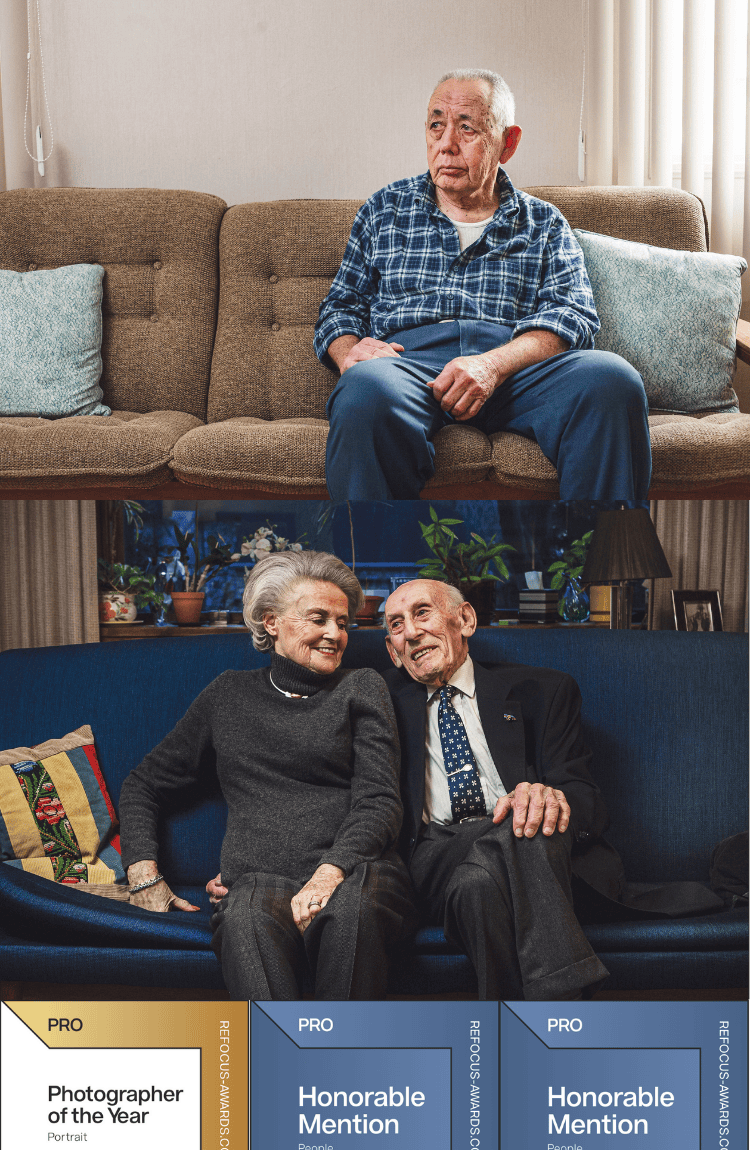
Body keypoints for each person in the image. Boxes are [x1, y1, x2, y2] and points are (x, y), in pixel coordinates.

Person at [315, 69, 650, 500]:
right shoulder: (385, 210)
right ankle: (381, 566)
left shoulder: (543, 222)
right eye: (437, 125)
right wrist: (348, 352)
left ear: (507, 143)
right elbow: (339, 307)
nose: (447, 144)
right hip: (410, 368)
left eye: (467, 127)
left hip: (517, 371)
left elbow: (574, 313)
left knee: (612, 379)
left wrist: (492, 365)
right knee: (363, 391)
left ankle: (600, 565)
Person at [123, 551, 417, 1000]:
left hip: (358, 872)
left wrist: (327, 875)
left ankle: (344, 1062)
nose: (334, 634)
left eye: (343, 623)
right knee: (244, 919)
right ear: (271, 622)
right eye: (318, 618)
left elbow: (380, 802)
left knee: (354, 915)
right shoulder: (228, 695)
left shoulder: (361, 687)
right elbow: (143, 784)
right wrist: (144, 874)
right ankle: (280, 1064)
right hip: (260, 881)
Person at [379, 578, 610, 999]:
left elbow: (585, 800)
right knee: (520, 828)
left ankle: (506, 1040)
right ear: (394, 652)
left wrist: (549, 798)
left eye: (422, 612)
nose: (411, 632)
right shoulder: (379, 709)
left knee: (481, 884)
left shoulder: (544, 691)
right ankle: (565, 1011)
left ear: (465, 619)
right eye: (396, 625)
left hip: (526, 853)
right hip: (434, 856)